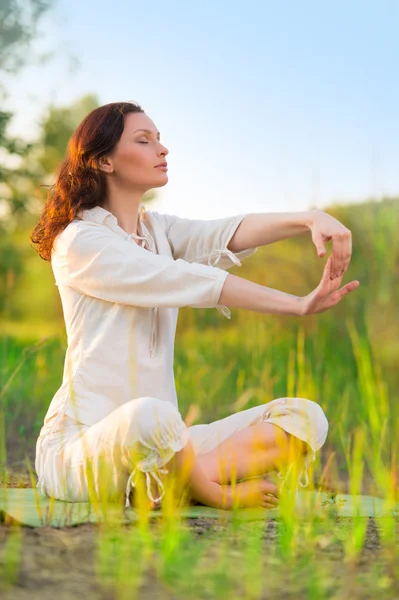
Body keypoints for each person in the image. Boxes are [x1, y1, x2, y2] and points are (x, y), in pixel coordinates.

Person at [30, 101, 359, 512]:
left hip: (166, 441)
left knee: (305, 418)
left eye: (160, 139)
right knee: (153, 417)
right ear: (104, 161)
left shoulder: (157, 230)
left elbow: (225, 233)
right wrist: (295, 304)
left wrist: (310, 218)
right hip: (80, 448)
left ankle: (167, 482)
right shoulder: (81, 241)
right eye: (144, 140)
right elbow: (184, 279)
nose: (162, 150)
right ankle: (207, 489)